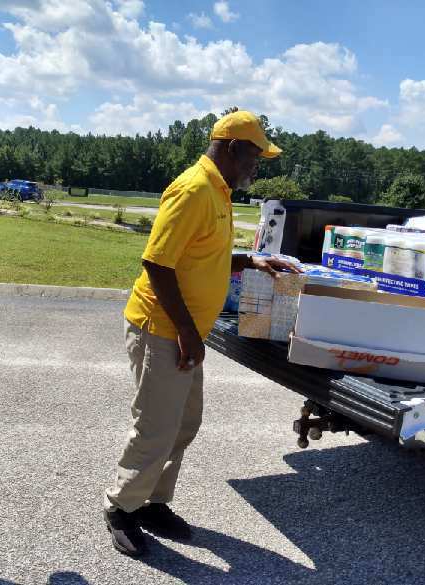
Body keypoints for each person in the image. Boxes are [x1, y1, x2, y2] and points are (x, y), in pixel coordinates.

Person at [103, 109, 299, 556]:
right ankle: (121, 507)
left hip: (185, 332)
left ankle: (152, 502)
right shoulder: (194, 189)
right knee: (155, 426)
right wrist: (189, 334)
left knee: (184, 423)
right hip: (164, 330)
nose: (257, 166)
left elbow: (202, 254)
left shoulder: (219, 191)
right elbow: (157, 263)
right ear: (233, 148)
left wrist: (250, 261)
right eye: (255, 156)